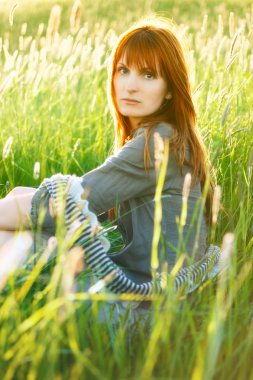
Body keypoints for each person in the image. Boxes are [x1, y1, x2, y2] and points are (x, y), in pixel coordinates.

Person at [0, 17, 220, 301]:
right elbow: (84, 206)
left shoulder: (158, 143)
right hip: (145, 290)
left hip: (144, 306)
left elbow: (68, 202)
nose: (130, 85)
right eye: (123, 70)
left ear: (169, 89)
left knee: (15, 238)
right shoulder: (166, 136)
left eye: (148, 75)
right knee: (21, 206)